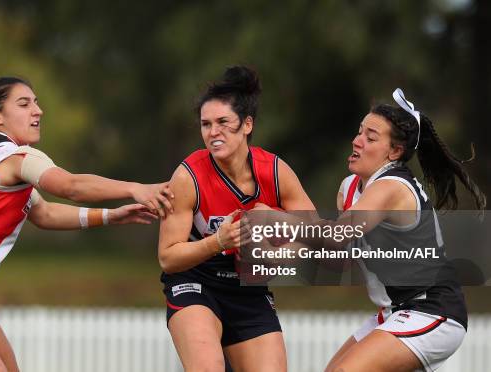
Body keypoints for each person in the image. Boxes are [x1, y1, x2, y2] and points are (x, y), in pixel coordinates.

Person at [0, 77, 174, 372]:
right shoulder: (11, 158)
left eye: (36, 102)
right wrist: (135, 188)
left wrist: (110, 215)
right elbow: (72, 186)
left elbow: (45, 214)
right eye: (24, 104)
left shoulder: (2, 163)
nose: (37, 110)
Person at [258, 89, 485, 372]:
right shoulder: (349, 188)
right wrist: (280, 255)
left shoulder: (391, 188)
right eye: (359, 132)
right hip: (395, 312)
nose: (357, 141)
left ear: (394, 152)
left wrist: (271, 217)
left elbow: (336, 235)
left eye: (371, 137)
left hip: (432, 311)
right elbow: (339, 251)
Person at [158, 66, 315, 372]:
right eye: (205, 124)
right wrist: (218, 242)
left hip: (248, 286)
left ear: (247, 124)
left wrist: (273, 243)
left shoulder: (274, 171)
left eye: (222, 123)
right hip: (195, 281)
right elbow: (167, 257)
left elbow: (317, 236)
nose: (212, 133)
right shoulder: (188, 175)